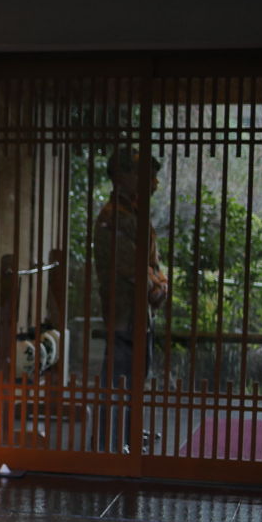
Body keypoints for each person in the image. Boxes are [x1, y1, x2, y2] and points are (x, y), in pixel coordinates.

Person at [92, 147, 168, 452]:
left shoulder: (136, 214)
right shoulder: (112, 217)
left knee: (136, 376)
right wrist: (155, 285)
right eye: (146, 175)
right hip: (123, 309)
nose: (153, 183)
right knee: (119, 378)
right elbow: (129, 265)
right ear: (123, 177)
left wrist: (160, 282)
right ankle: (110, 441)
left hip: (140, 312)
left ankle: (126, 436)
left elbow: (152, 262)